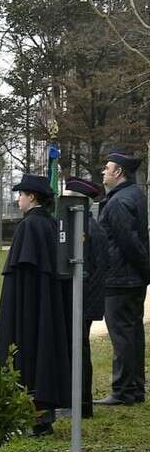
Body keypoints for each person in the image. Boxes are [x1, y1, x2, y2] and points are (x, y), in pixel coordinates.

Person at [0, 175, 72, 437]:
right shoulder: (52, 224)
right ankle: (42, 415)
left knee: (28, 354)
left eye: (21, 195)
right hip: (47, 306)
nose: (18, 199)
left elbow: (24, 277)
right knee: (45, 352)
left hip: (28, 307)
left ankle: (31, 416)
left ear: (33, 197)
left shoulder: (29, 227)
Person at [94, 152, 150, 406]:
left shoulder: (118, 203)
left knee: (123, 335)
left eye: (107, 168)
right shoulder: (134, 195)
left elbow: (129, 243)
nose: (103, 172)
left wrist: (144, 270)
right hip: (131, 278)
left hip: (120, 279)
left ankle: (125, 390)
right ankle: (135, 387)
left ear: (118, 172)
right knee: (133, 333)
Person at [65, 177, 109, 418]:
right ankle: (81, 404)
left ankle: (81, 405)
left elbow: (90, 269)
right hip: (86, 299)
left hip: (82, 300)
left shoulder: (87, 230)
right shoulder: (90, 227)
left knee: (79, 351)